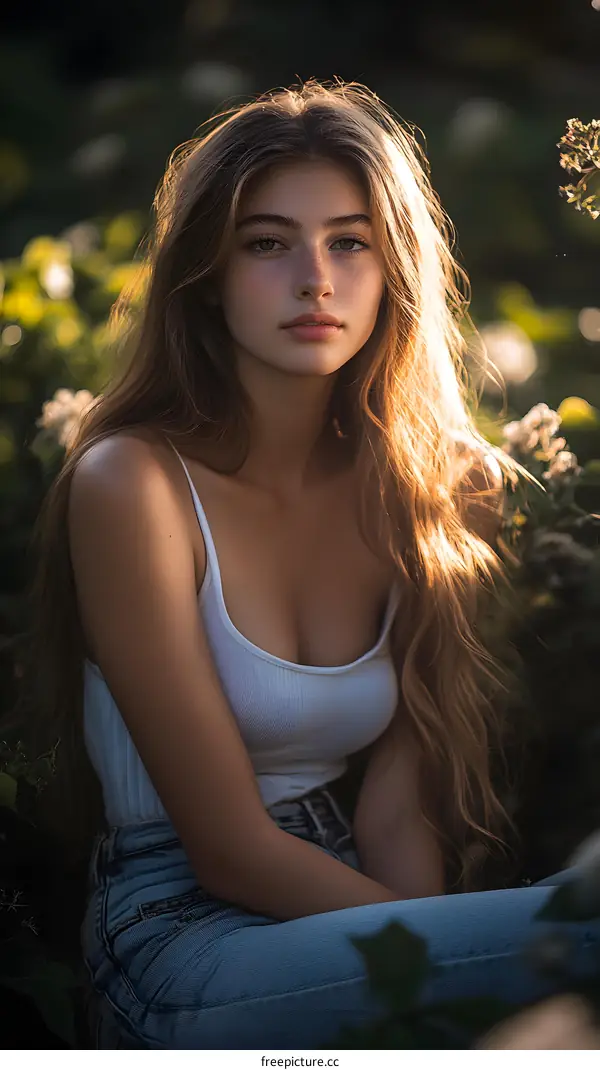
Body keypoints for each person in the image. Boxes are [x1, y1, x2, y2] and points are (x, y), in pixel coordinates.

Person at [14, 78, 600, 1049]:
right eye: (267, 242)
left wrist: (428, 986)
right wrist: (428, 960)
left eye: (350, 241)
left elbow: (399, 810)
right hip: (183, 926)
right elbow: (230, 850)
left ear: (392, 266)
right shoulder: (135, 484)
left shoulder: (431, 493)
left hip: (355, 906)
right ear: (207, 269)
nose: (316, 279)